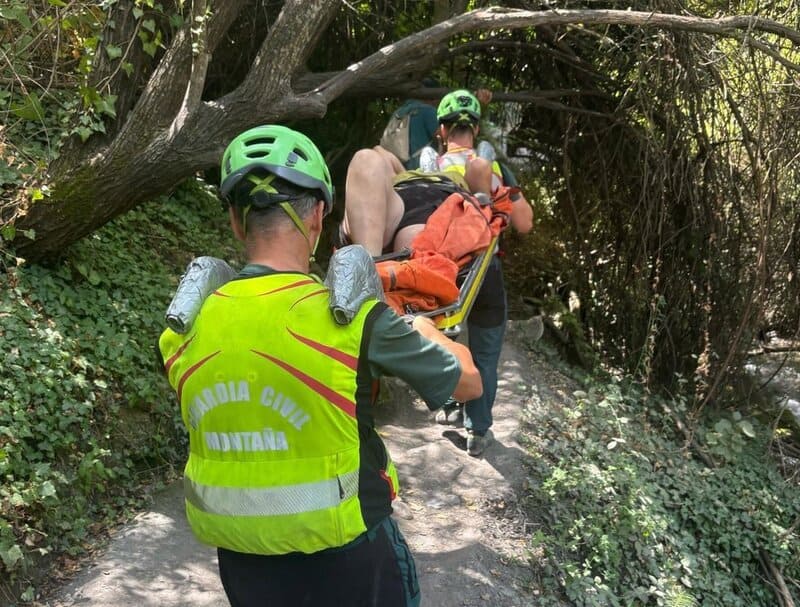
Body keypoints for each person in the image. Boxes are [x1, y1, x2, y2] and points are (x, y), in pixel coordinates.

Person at [157, 124, 482, 607]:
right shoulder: (354, 320)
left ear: (235, 222)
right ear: (317, 217)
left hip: (242, 562)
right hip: (352, 559)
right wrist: (422, 328)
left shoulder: (182, 330)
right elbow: (468, 383)